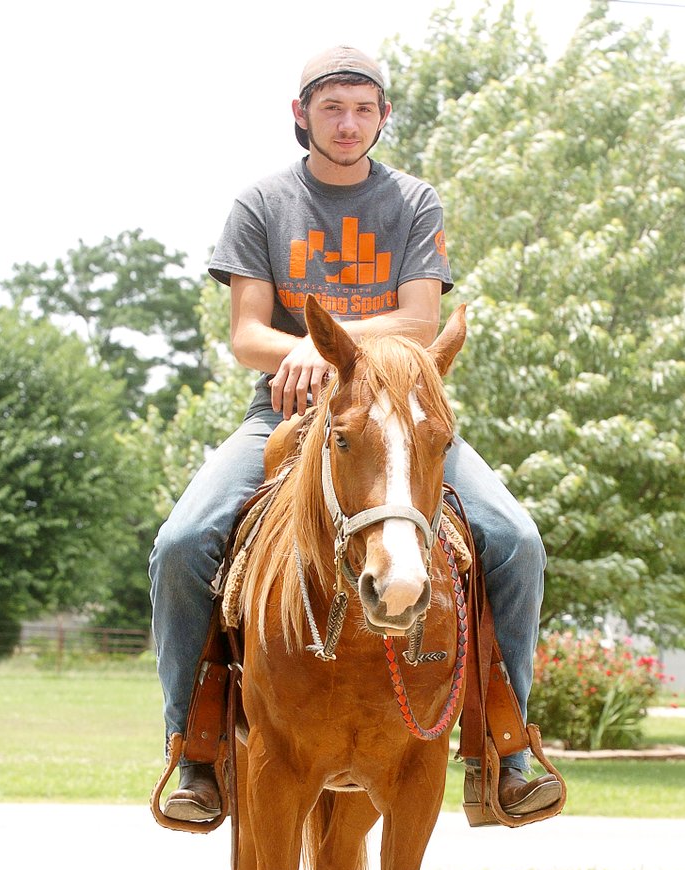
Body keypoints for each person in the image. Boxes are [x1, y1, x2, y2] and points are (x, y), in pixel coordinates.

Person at [149, 46, 561, 823]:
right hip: (287, 415)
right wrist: (304, 349)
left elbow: (421, 320)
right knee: (183, 540)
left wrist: (325, 339)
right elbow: (245, 336)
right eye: (333, 108)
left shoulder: (412, 202)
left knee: (516, 538)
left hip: (402, 418)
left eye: (364, 109)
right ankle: (193, 748)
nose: (349, 123)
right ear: (301, 115)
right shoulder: (262, 204)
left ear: (384, 117)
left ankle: (501, 747)